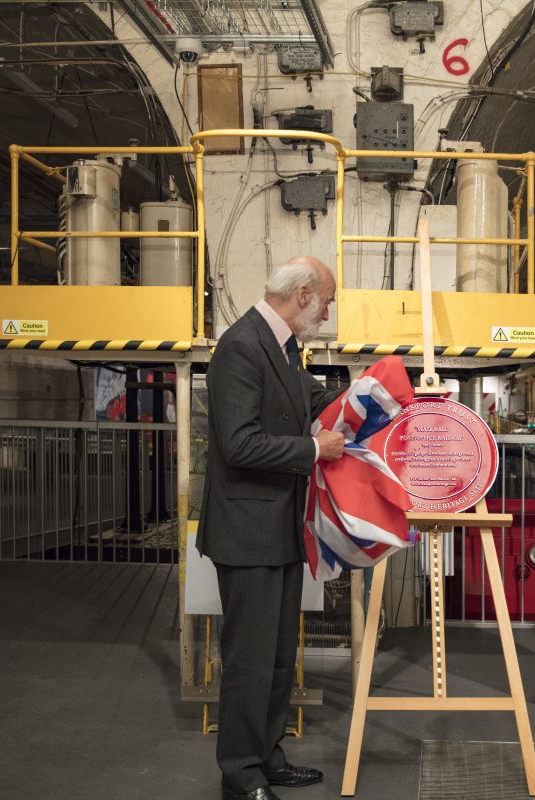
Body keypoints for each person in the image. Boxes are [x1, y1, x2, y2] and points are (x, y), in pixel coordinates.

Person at [197, 256, 346, 800]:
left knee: (281, 658)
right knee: (250, 662)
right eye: (326, 301)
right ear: (303, 294)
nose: (326, 312)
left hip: (278, 529)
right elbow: (238, 443)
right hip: (246, 534)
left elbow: (313, 400)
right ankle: (241, 776)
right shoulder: (240, 346)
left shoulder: (281, 346)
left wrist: (380, 396)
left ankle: (267, 757)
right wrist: (312, 448)